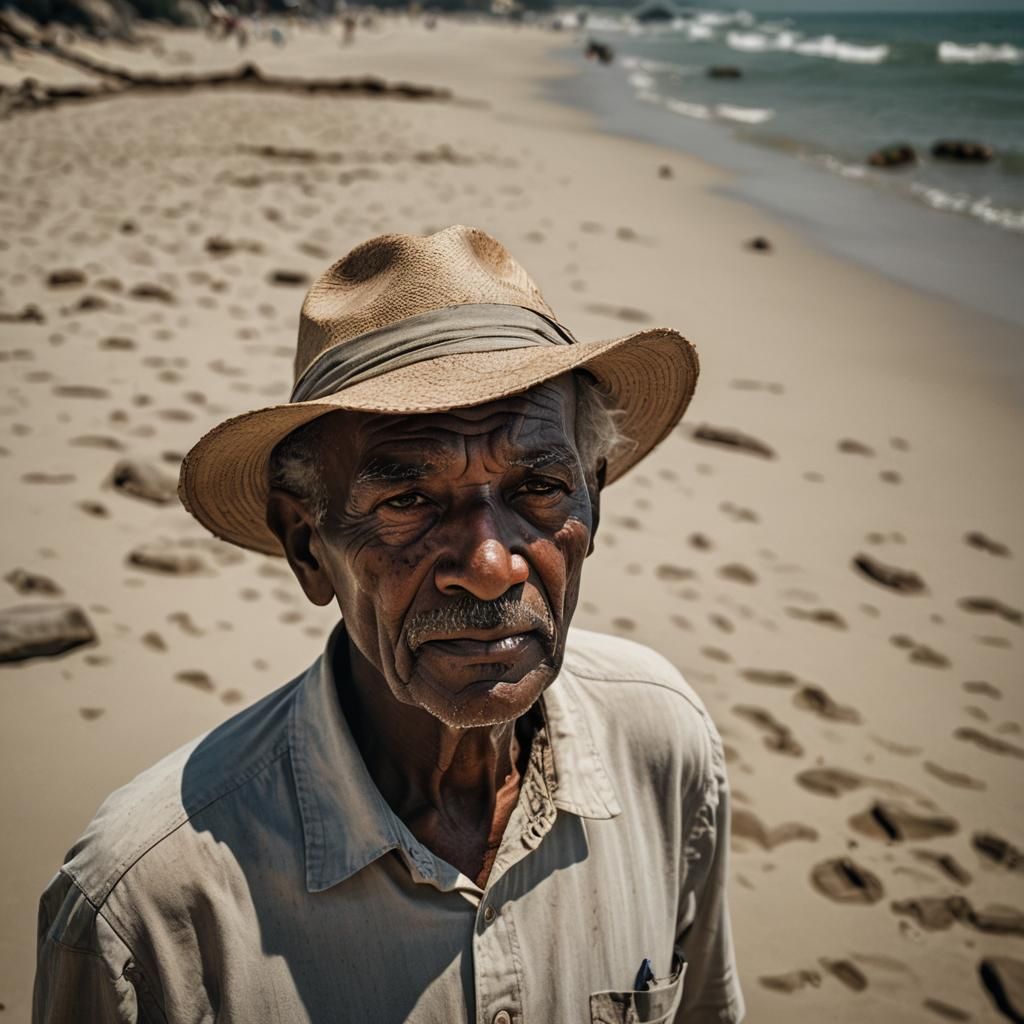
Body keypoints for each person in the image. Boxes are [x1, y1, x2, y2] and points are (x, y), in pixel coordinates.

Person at [33, 225, 744, 1024]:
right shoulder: (149, 907)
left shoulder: (662, 745)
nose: (490, 565)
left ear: (593, 500)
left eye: (539, 487)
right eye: (409, 502)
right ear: (308, 547)